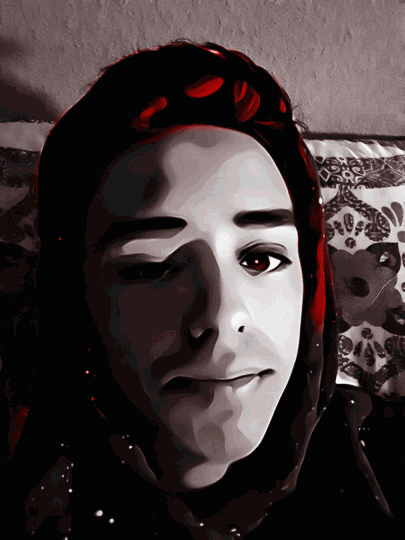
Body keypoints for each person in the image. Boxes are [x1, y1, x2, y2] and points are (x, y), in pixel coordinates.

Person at [1, 39, 404, 539]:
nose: (221, 316)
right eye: (150, 267)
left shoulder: (386, 454)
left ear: (311, 280)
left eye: (261, 258)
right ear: (77, 298)